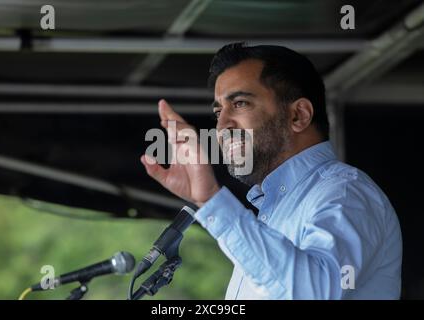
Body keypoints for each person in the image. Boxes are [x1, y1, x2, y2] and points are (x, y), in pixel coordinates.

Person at [140, 43, 402, 299]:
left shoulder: (345, 192)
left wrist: (211, 200)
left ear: (298, 115)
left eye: (240, 103)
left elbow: (312, 294)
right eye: (218, 111)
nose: (221, 126)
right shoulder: (274, 208)